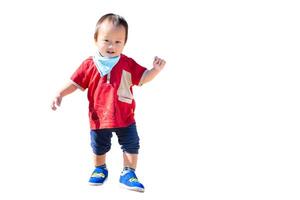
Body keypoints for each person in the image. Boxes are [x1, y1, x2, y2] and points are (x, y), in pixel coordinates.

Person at [51, 13, 165, 192]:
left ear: (125, 43)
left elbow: (142, 77)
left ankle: (128, 172)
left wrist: (155, 71)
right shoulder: (89, 64)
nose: (112, 46)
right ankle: (99, 168)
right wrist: (60, 93)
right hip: (99, 117)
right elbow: (75, 83)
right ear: (96, 40)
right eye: (107, 41)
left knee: (131, 143)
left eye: (118, 42)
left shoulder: (127, 63)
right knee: (99, 145)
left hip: (125, 116)